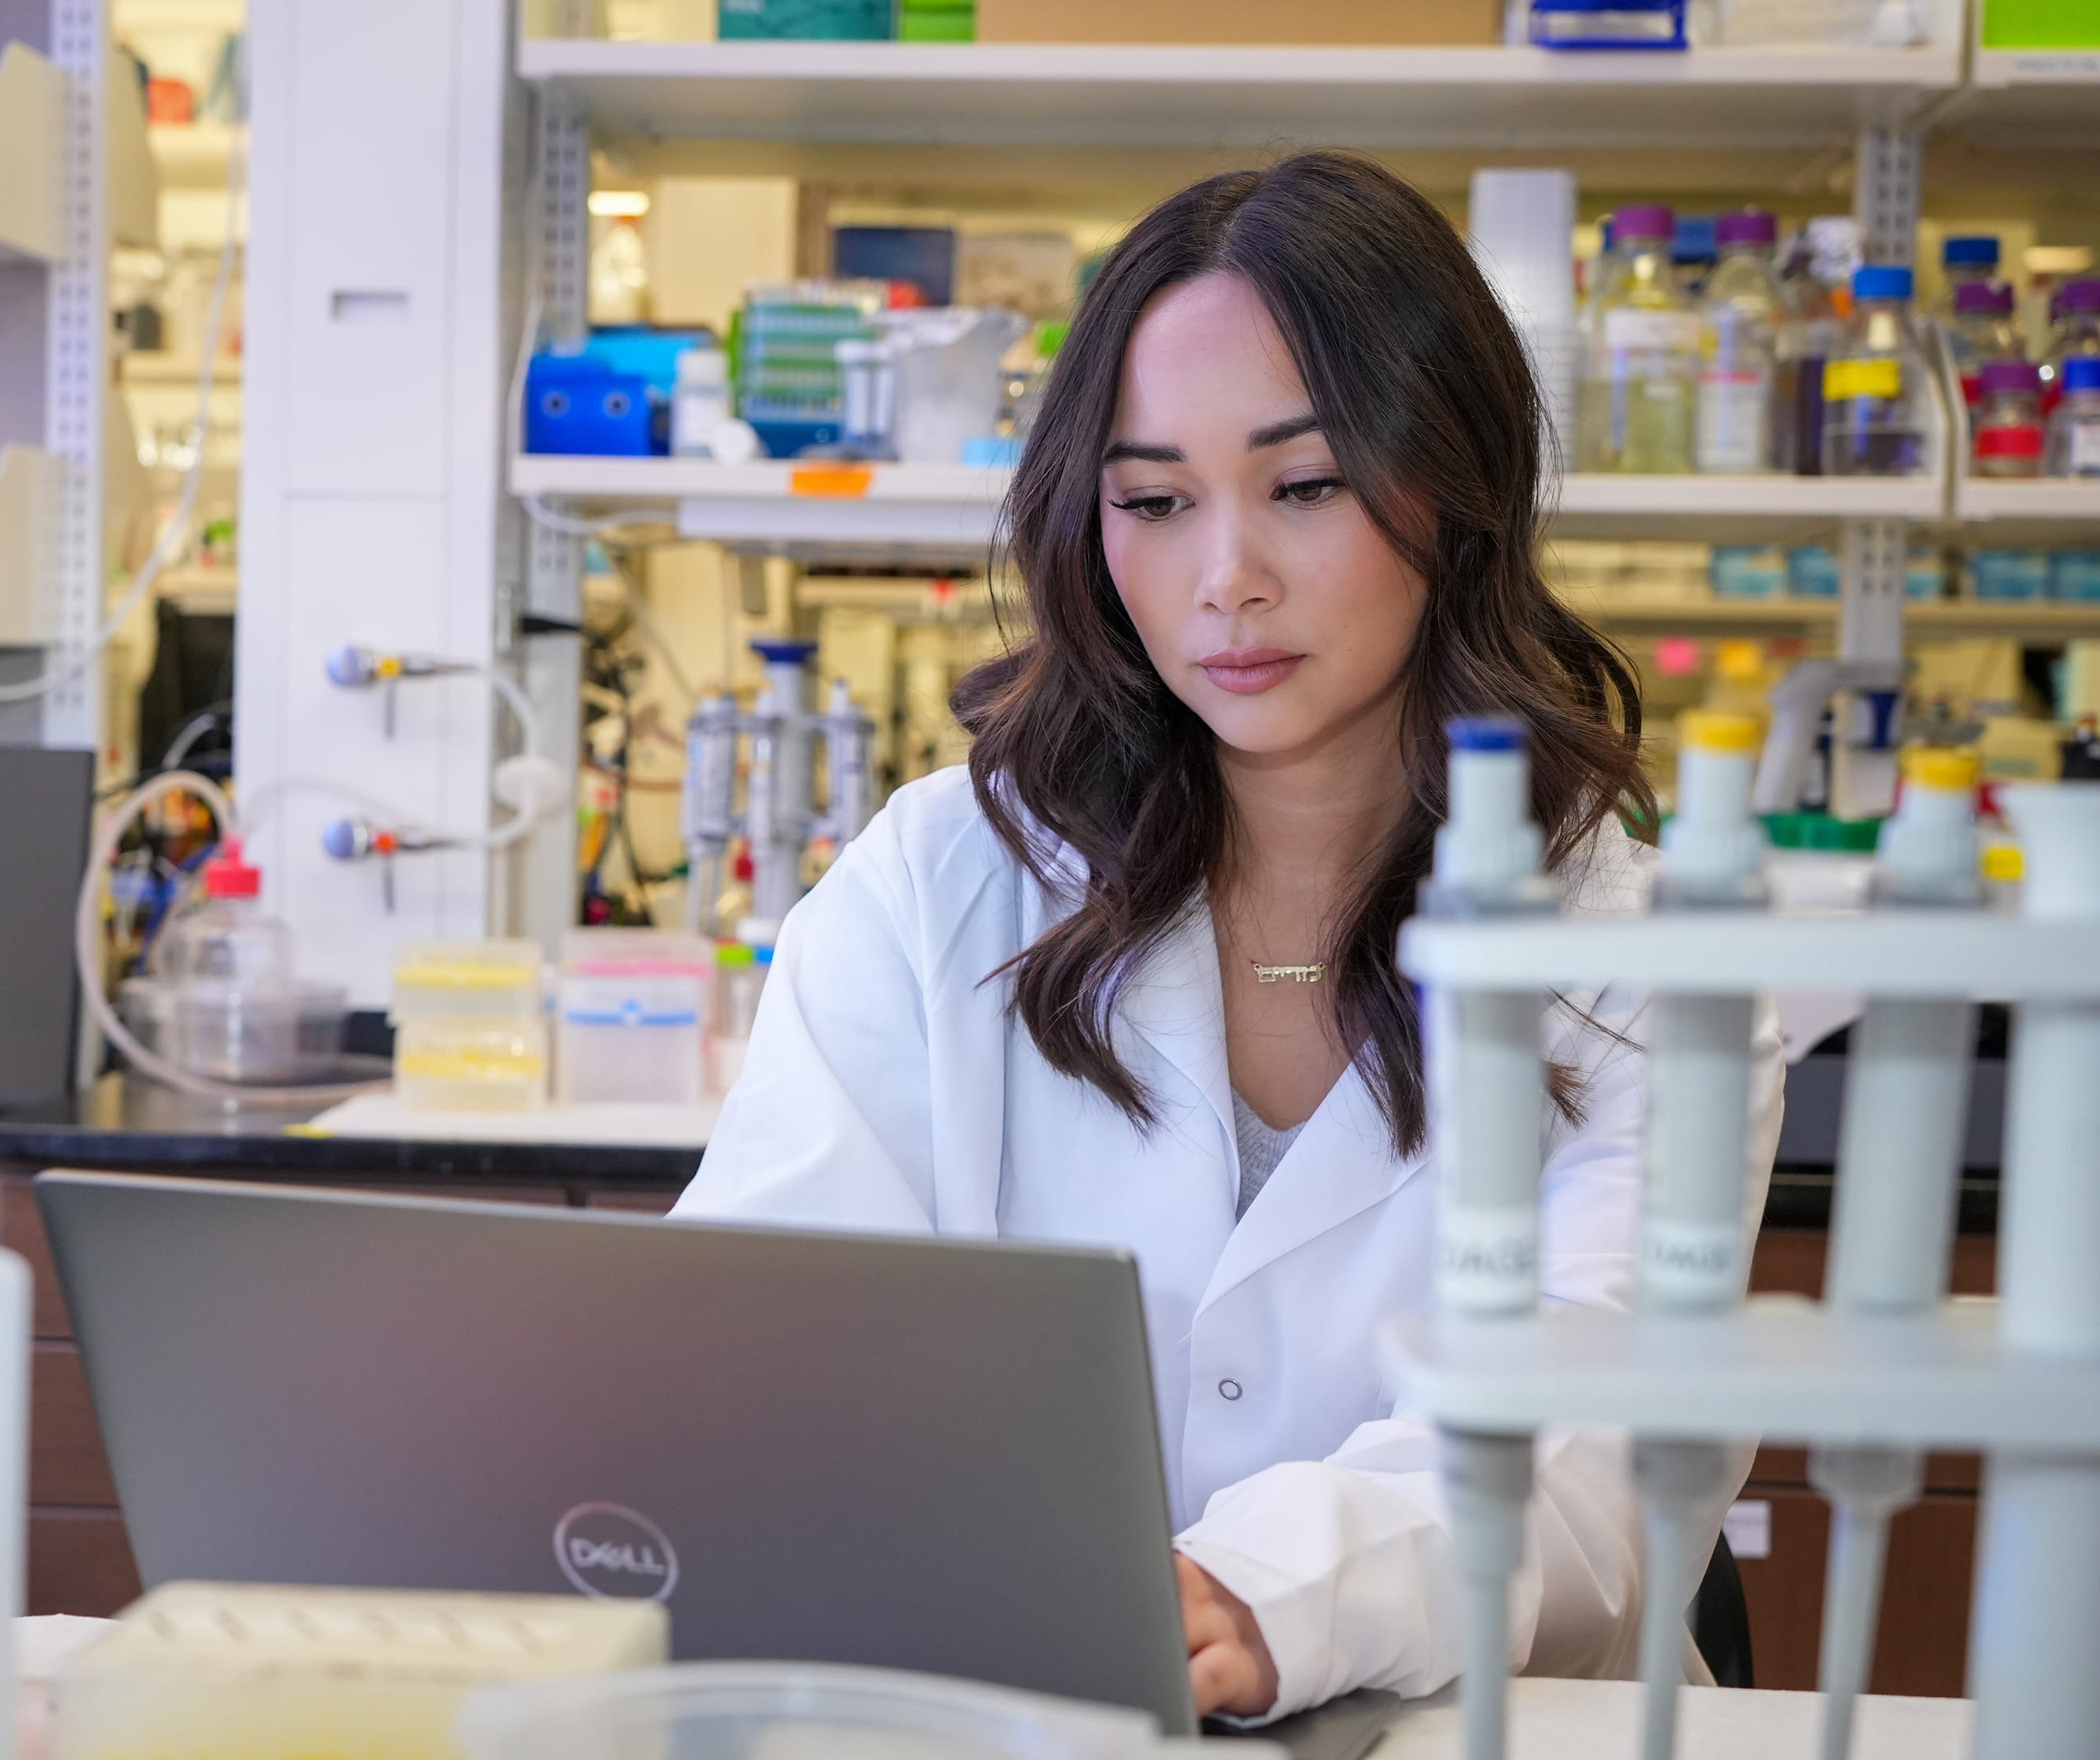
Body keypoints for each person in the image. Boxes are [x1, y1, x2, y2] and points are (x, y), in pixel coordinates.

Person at [675, 151, 1783, 1724]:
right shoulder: (940, 879)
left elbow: (1589, 1457)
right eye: (1154, 501)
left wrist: (1267, 1593)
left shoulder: (1640, 957)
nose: (1226, 580)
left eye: (1306, 486)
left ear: (1456, 489)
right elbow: (754, 1344)